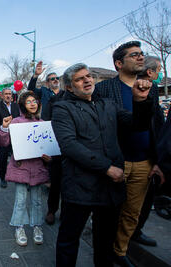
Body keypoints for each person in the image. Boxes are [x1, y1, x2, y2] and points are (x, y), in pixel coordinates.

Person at [52, 63, 153, 267]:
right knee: (69, 239)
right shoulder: (62, 108)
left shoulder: (108, 104)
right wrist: (107, 167)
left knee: (105, 240)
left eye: (88, 76)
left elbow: (137, 125)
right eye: (80, 79)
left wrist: (140, 101)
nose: (87, 80)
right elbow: (69, 145)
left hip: (110, 189)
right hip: (80, 186)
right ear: (70, 87)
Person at [94, 41, 164, 266]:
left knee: (133, 213)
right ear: (118, 63)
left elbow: (157, 125)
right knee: (111, 212)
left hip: (144, 161)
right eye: (134, 55)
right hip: (116, 161)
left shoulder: (150, 88)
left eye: (141, 54)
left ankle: (120, 251)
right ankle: (105, 251)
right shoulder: (104, 89)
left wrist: (159, 160)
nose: (141, 57)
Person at [0, 91, 50, 246]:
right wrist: (4, 128)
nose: (32, 104)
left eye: (35, 101)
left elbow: (48, 146)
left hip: (39, 169)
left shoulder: (43, 123)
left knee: (37, 201)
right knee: (20, 200)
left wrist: (49, 157)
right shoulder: (16, 122)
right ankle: (19, 227)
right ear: (23, 105)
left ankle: (37, 226)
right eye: (28, 102)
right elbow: (3, 142)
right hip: (21, 168)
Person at [130, 56, 164, 247]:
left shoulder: (153, 91)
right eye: (158, 70)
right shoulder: (140, 91)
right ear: (150, 72)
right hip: (138, 156)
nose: (160, 75)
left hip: (151, 154)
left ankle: (135, 231)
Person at [28, 61, 64, 225]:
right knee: (55, 179)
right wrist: (36, 75)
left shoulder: (66, 94)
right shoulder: (43, 92)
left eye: (56, 78)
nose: (54, 80)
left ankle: (67, 212)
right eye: (51, 79)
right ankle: (51, 210)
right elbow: (30, 90)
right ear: (47, 82)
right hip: (49, 136)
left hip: (67, 137)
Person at [0, 88, 20, 188]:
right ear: (2, 96)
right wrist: (4, 128)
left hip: (16, 137)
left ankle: (20, 177)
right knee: (2, 159)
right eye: (6, 94)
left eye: (9, 94)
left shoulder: (16, 106)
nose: (8, 96)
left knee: (18, 157)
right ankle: (3, 178)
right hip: (2, 136)